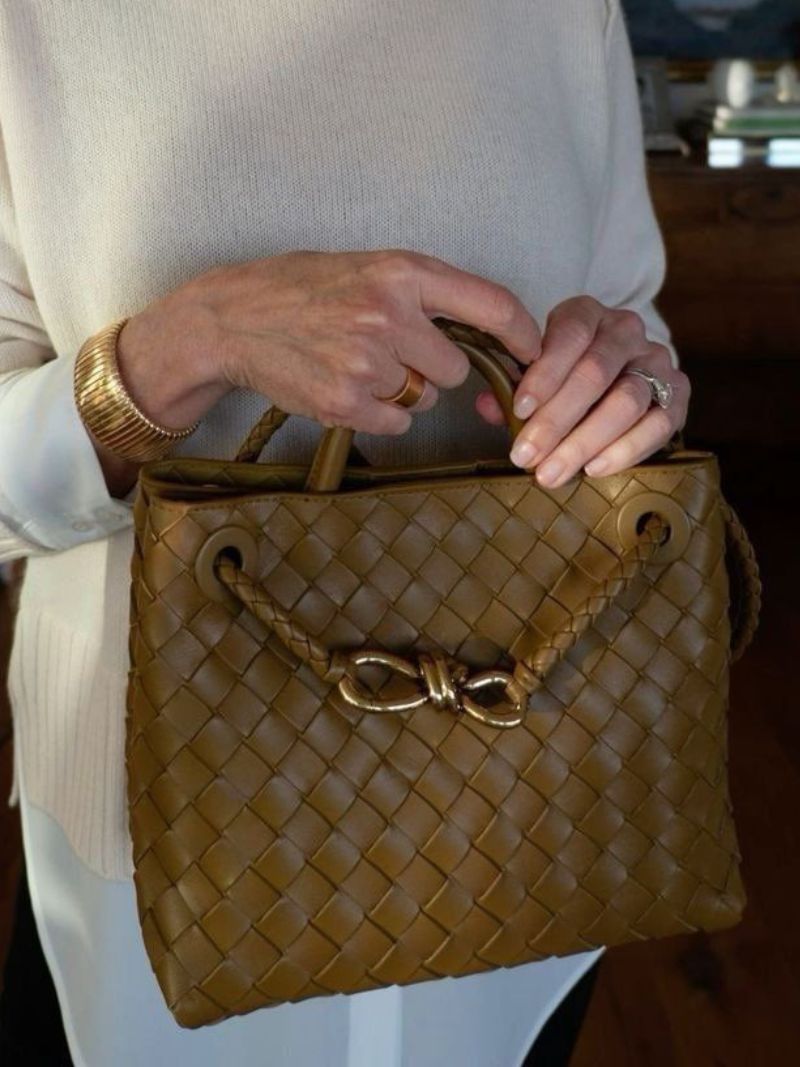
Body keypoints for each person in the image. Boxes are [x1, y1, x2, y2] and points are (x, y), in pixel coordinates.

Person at [0, 2, 689, 1064]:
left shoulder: (563, 14)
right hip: (156, 850)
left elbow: (633, 328)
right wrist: (185, 344)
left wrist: (628, 384)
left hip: (524, 813)